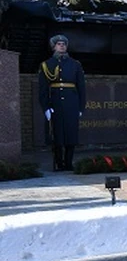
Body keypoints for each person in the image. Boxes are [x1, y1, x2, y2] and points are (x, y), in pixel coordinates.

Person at [38, 34, 86, 171]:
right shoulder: (46, 65)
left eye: (64, 44)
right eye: (59, 44)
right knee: (57, 135)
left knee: (71, 134)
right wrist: (46, 107)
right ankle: (59, 163)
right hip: (55, 103)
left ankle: (69, 163)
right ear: (54, 46)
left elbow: (81, 87)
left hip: (72, 103)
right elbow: (42, 89)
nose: (62, 46)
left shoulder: (75, 64)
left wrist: (81, 106)